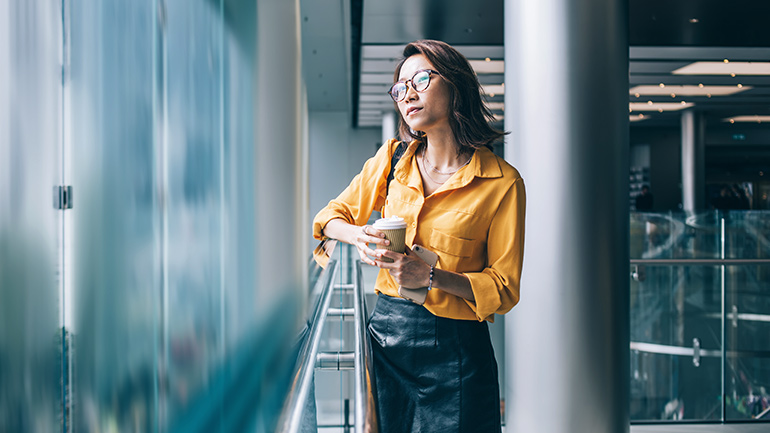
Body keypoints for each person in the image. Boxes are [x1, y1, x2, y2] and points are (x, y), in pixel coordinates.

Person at [312, 40, 525, 433]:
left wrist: (429, 277)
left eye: (422, 79)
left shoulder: (502, 183)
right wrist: (359, 235)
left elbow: (504, 287)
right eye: (400, 87)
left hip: (457, 356)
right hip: (388, 341)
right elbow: (328, 219)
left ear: (455, 84)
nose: (407, 94)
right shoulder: (392, 160)